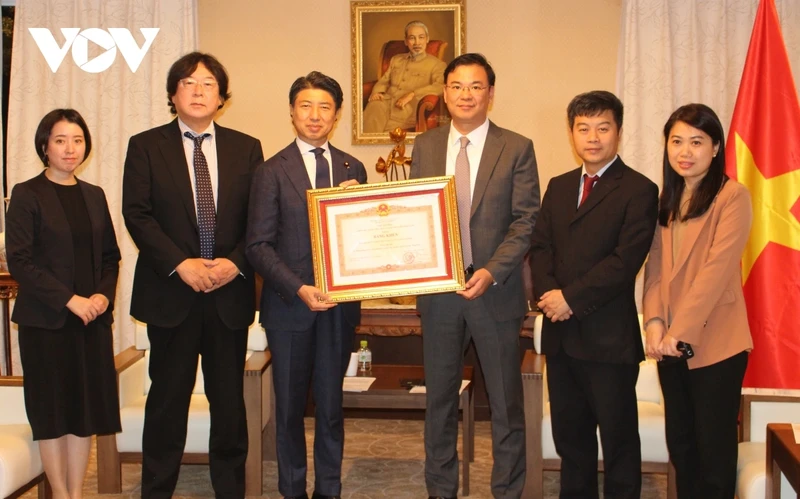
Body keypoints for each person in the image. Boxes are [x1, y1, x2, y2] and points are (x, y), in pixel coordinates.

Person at [122, 52, 263, 498]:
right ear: (172, 94)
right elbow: (137, 215)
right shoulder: (145, 145)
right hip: (171, 294)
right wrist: (181, 264)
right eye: (188, 83)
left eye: (208, 84)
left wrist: (234, 263)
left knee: (228, 406)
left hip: (228, 295)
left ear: (222, 97)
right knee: (166, 403)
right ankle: (157, 490)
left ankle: (230, 491)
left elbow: (259, 220)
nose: (199, 91)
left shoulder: (247, 147)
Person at [410, 53, 540, 499]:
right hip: (439, 294)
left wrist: (491, 270)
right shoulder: (425, 146)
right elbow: (413, 215)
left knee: (505, 405)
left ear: (491, 93)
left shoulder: (517, 146)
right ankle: (440, 491)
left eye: (476, 86)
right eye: (457, 86)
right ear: (445, 93)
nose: (466, 95)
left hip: (495, 293)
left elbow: (525, 221)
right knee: (439, 402)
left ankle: (506, 491)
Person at [529, 90, 659, 499]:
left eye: (603, 128)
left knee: (619, 441)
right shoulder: (560, 185)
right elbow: (541, 247)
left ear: (618, 132)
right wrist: (551, 295)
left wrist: (570, 297)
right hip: (562, 337)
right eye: (583, 128)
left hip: (608, 339)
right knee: (572, 441)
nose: (593, 137)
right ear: (572, 133)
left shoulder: (639, 189)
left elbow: (625, 262)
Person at [246, 71, 367, 499]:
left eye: (325, 107)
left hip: (338, 307)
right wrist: (299, 288)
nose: (315, 116)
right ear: (292, 112)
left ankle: (329, 490)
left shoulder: (354, 168)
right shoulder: (271, 171)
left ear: (336, 115)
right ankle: (293, 490)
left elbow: (363, 241)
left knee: (332, 409)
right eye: (306, 106)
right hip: (290, 308)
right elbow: (257, 245)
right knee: (290, 410)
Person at [5, 108, 121, 499]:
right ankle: (62, 495)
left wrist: (103, 295)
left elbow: (110, 257)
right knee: (52, 416)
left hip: (90, 321)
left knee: (82, 415)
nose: (70, 149)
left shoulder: (94, 195)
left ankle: (76, 493)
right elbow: (20, 260)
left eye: (77, 140)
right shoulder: (27, 193)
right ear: (44, 146)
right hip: (47, 323)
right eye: (60, 141)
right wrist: (70, 299)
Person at [643, 103, 753, 498]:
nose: (685, 151)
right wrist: (654, 324)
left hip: (716, 343)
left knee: (714, 452)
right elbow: (655, 270)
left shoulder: (732, 197)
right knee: (683, 447)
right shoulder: (667, 200)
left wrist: (679, 332)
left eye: (696, 141)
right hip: (670, 344)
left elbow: (715, 273)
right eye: (676, 141)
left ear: (715, 146)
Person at [363, 20, 447, 133]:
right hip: (384, 105)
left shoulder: (437, 65)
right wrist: (376, 92)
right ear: (406, 41)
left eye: (421, 37)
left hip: (406, 112)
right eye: (412, 38)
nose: (417, 42)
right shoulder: (396, 59)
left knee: (377, 132)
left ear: (427, 39)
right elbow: (384, 80)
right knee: (372, 112)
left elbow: (441, 86)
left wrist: (412, 94)